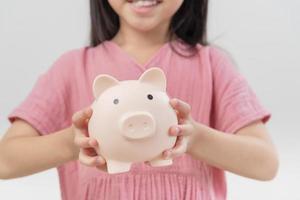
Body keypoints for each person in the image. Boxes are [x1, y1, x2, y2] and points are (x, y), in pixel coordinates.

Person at [0, 0, 279, 199]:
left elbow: (265, 163)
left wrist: (195, 139)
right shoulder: (72, 67)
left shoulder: (212, 66)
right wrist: (74, 142)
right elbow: (5, 161)